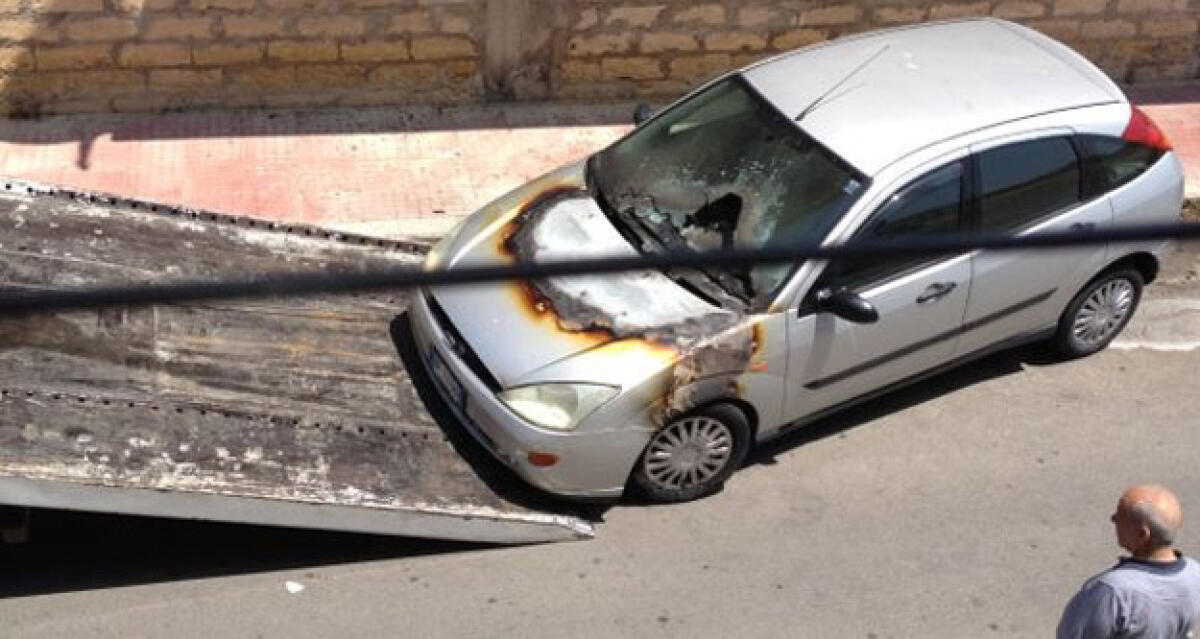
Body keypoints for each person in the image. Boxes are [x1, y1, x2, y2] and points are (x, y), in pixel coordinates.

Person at [1058, 485, 1200, 638]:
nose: (1113, 519)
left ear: (1143, 535)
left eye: (1121, 516)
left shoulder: (1113, 591)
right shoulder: (1194, 573)